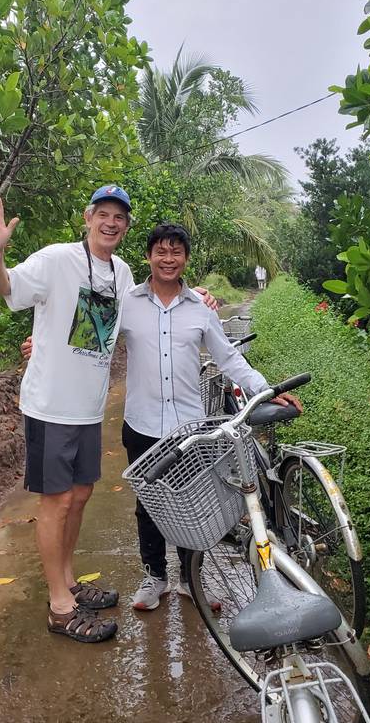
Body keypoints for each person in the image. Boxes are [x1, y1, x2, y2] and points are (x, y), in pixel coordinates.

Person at [0, 188, 216, 643]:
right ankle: (59, 607)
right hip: (51, 404)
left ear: (126, 227)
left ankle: (68, 582)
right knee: (57, 501)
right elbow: (3, 286)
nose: (110, 222)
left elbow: (146, 306)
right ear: (88, 217)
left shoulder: (122, 273)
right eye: (102, 213)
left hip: (88, 408)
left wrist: (194, 295)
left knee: (81, 494)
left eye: (119, 217)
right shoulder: (56, 259)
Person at [121, 225, 300, 610]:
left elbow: (228, 357)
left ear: (186, 259)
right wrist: (45, 346)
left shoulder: (201, 308)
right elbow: (95, 341)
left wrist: (265, 389)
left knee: (191, 504)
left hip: (189, 429)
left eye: (176, 252)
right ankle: (155, 578)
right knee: (148, 506)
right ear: (148, 256)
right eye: (161, 252)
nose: (168, 259)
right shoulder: (127, 302)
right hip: (141, 424)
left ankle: (190, 579)